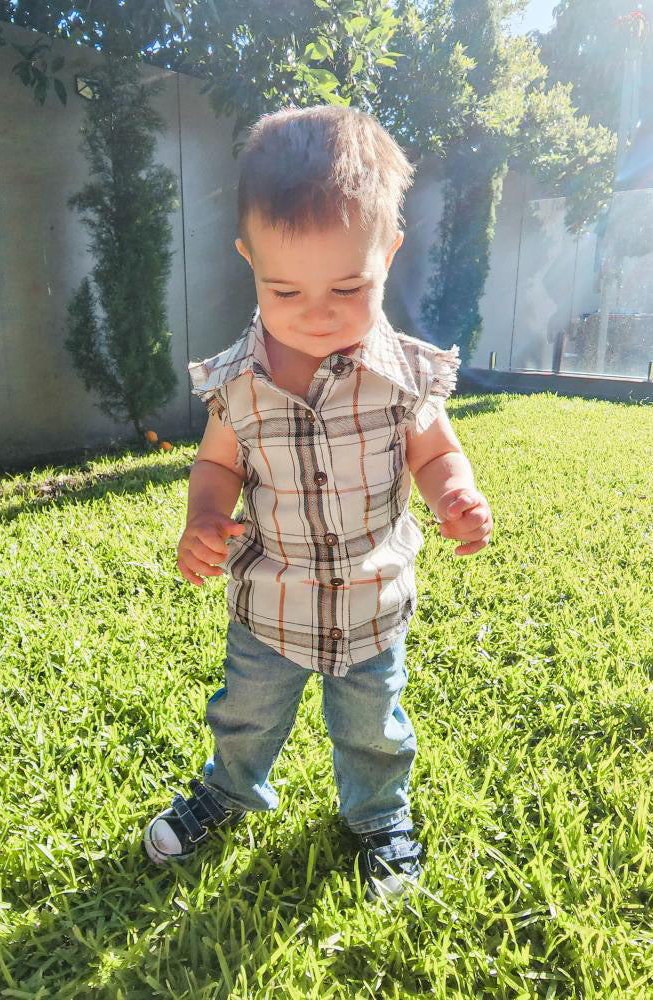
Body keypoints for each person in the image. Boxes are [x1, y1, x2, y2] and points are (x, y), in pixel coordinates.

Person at [143, 105, 493, 902]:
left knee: (374, 729)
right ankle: (227, 789)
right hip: (270, 604)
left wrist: (456, 494)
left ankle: (378, 815)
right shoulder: (238, 381)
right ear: (249, 262)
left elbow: (434, 450)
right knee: (245, 713)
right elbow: (216, 464)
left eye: (349, 285)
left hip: (373, 604)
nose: (317, 311)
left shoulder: (403, 374)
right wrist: (203, 516)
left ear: (389, 254)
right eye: (284, 288)